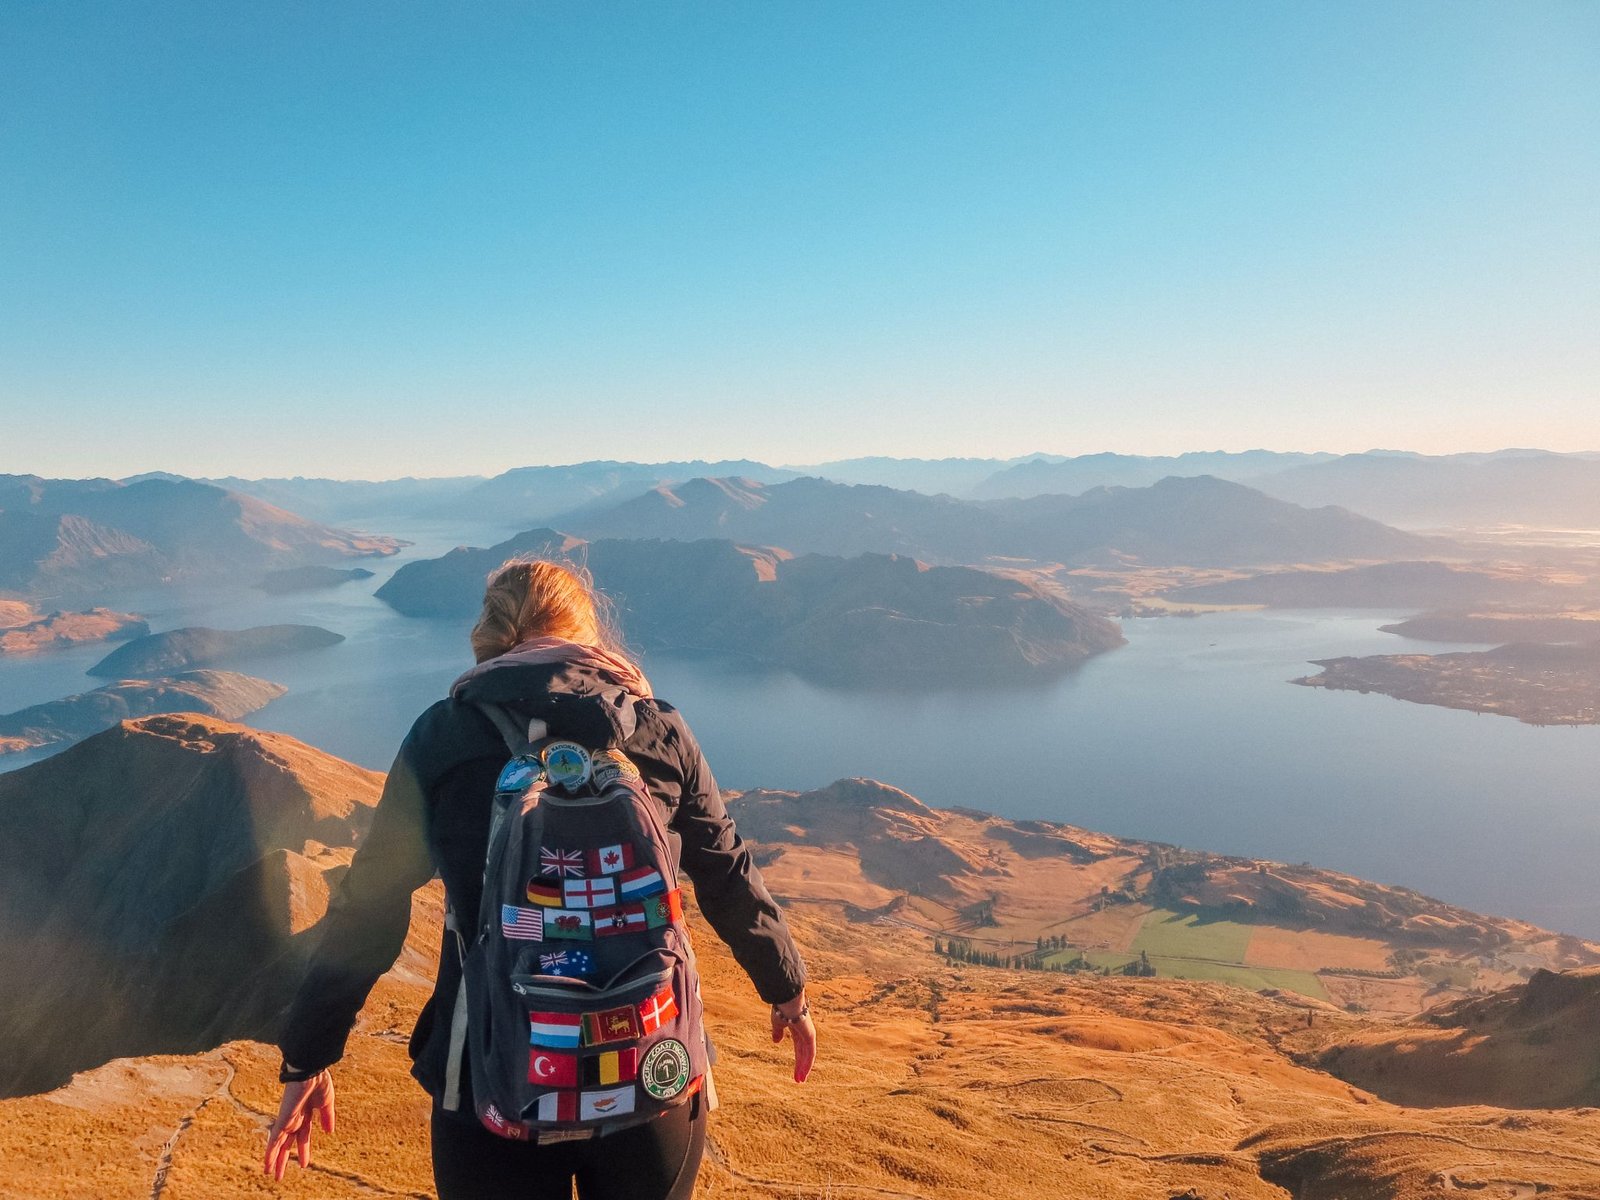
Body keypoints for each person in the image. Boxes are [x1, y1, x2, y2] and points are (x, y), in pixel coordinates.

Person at [264, 559, 815, 1199]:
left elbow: (370, 906)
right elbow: (725, 872)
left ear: (491, 635)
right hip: (649, 1063)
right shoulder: (656, 728)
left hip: (488, 1080)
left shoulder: (444, 736)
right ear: (585, 632)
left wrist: (309, 1054)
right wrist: (787, 990)